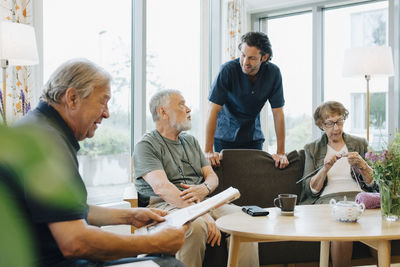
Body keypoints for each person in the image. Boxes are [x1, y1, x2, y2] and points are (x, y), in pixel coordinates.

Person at [14, 59, 187, 267]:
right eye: (103, 101)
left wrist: (130, 215)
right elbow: (74, 242)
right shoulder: (48, 144)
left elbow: (66, 212)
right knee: (169, 264)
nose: (107, 113)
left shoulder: (38, 128)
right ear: (73, 98)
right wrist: (154, 241)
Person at [134, 89, 259, 267]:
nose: (188, 109)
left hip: (203, 202)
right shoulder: (146, 145)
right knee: (196, 227)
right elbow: (162, 188)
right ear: (163, 112)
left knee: (244, 221)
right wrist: (203, 214)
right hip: (166, 205)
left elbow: (211, 176)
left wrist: (205, 188)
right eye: (181, 104)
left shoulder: (190, 141)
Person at [299, 101, 377, 267]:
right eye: (330, 123)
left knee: (377, 226)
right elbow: (309, 189)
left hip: (361, 199)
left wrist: (363, 165)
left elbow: (374, 184)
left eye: (339, 121)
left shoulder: (360, 144)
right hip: (329, 201)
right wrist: (325, 168)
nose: (336, 128)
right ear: (321, 125)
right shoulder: (312, 149)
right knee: (343, 224)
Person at [205, 31, 289, 169]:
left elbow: (278, 114)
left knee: (253, 180)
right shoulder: (228, 70)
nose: (245, 62)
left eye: (252, 58)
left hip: (252, 137)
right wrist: (208, 151)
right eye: (243, 55)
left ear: (264, 57)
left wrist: (281, 152)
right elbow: (213, 110)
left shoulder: (273, 74)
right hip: (224, 136)